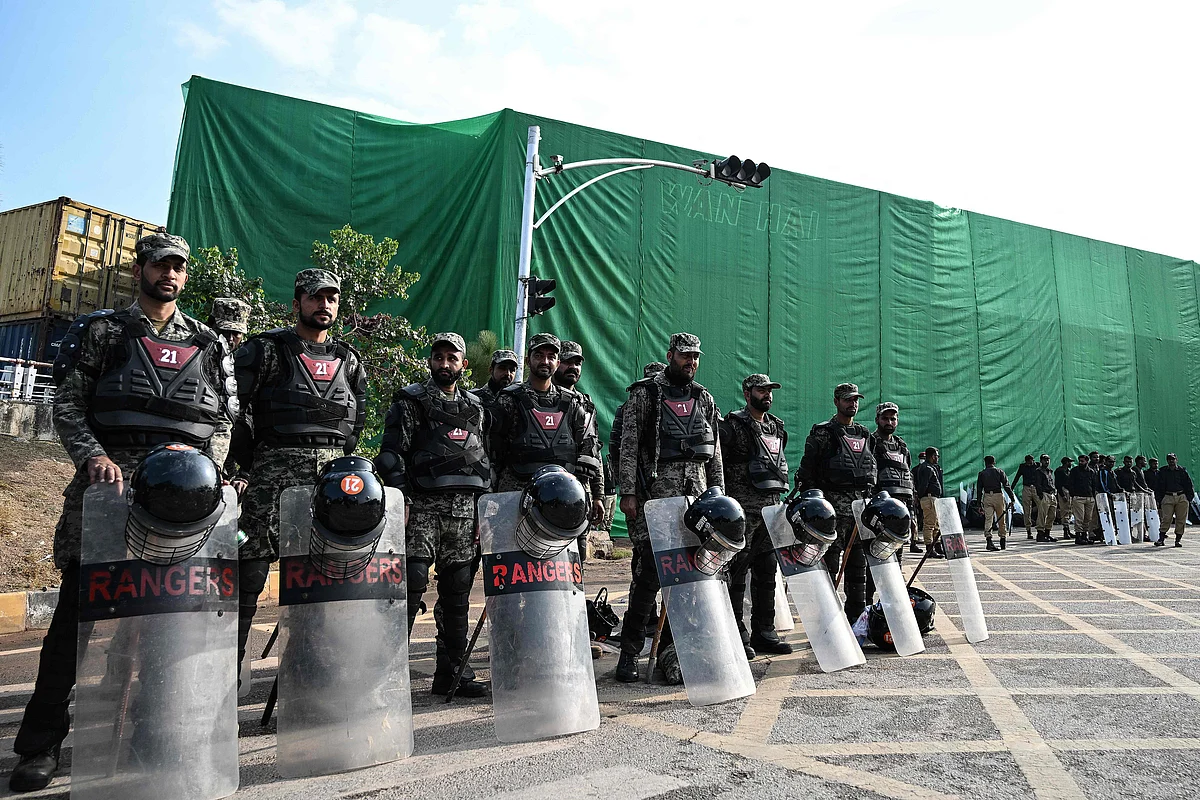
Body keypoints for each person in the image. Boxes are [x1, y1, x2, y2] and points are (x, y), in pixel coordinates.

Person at [8, 233, 236, 792]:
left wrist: (204, 466)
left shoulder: (207, 342)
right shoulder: (103, 330)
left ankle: (150, 732)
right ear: (141, 269)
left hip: (182, 506)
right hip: (110, 497)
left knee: (163, 628)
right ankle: (40, 746)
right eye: (161, 264)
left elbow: (225, 421)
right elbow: (67, 404)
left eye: (180, 266)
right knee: (74, 628)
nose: (171, 274)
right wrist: (95, 458)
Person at [228, 268, 367, 683]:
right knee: (250, 571)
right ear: (297, 303)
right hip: (271, 474)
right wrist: (252, 464)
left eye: (331, 298)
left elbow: (355, 419)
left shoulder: (349, 358)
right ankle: (226, 675)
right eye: (314, 297)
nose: (324, 305)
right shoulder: (265, 350)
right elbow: (233, 410)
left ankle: (312, 673)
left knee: (322, 576)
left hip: (328, 482)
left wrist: (340, 456)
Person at [375, 332, 491, 696]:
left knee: (457, 593)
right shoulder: (411, 401)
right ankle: (383, 674)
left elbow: (483, 461)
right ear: (430, 360)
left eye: (451, 358)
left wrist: (481, 510)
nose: (444, 363)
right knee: (409, 586)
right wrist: (403, 500)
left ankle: (453, 673)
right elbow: (392, 456)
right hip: (421, 509)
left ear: (463, 365)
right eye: (438, 357)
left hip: (463, 512)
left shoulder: (477, 408)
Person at [615, 333, 723, 684]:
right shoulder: (645, 394)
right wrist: (628, 493)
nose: (690, 362)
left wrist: (718, 494)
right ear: (670, 355)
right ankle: (629, 655)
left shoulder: (703, 397)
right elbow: (628, 447)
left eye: (695, 357)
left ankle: (674, 653)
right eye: (684, 356)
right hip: (655, 501)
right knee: (649, 578)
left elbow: (715, 454)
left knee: (689, 579)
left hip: (696, 500)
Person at [491, 334, 603, 547]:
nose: (545, 361)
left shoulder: (573, 403)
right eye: (539, 355)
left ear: (557, 362)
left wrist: (596, 495)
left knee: (566, 571)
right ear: (528, 359)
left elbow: (589, 451)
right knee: (515, 561)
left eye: (551, 356)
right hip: (517, 496)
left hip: (566, 501)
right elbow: (492, 452)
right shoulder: (509, 399)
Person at [721, 374, 792, 658]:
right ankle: (737, 632)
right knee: (737, 572)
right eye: (761, 390)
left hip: (771, 508)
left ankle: (765, 631)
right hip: (743, 509)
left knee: (767, 573)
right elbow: (721, 463)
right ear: (747, 393)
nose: (767, 395)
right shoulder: (733, 425)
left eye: (770, 390)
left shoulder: (777, 427)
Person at [795, 383, 876, 622]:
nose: (852, 404)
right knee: (829, 568)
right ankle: (826, 620)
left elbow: (871, 470)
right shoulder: (823, 432)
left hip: (858, 510)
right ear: (836, 401)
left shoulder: (864, 434)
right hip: (831, 512)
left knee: (857, 570)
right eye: (847, 400)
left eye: (855, 400)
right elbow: (807, 471)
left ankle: (855, 618)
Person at [551, 340, 606, 557]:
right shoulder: (541, 400)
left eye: (577, 363)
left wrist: (599, 495)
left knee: (576, 559)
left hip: (579, 496)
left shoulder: (586, 405)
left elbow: (593, 452)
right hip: (547, 496)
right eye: (566, 362)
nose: (573, 367)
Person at [871, 402, 927, 558]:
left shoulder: (901, 446)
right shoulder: (870, 443)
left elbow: (907, 477)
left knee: (898, 555)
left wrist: (912, 514)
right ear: (877, 419)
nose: (889, 422)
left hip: (901, 510)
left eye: (893, 419)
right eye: (885, 418)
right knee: (877, 557)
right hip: (880, 509)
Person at [975, 455, 1015, 551]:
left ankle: (989, 540)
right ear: (994, 462)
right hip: (998, 496)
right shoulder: (999, 472)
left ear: (985, 463)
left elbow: (979, 489)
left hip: (987, 496)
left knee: (988, 519)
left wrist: (978, 503)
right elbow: (1006, 486)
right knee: (1001, 519)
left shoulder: (982, 474)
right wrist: (1012, 498)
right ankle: (1002, 539)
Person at [1155, 452, 1194, 548]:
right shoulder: (1163, 471)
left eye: (1173, 459)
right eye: (1169, 459)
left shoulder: (1182, 471)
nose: (1171, 461)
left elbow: (1189, 484)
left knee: (1181, 519)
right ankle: (1161, 538)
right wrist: (1160, 499)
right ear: (1167, 461)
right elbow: (1158, 486)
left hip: (1181, 496)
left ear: (1176, 460)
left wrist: (1189, 498)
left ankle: (1178, 540)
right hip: (1168, 496)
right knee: (1166, 518)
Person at [913, 446, 943, 554]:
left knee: (936, 524)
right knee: (929, 524)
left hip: (932, 498)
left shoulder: (930, 467)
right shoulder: (926, 468)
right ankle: (930, 548)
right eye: (936, 456)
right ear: (932, 456)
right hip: (929, 498)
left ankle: (937, 546)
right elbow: (923, 485)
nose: (937, 458)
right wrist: (921, 496)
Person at [1066, 454, 1099, 545]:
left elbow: (1093, 485)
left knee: (1088, 518)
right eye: (1080, 461)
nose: (1081, 463)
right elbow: (1070, 484)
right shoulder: (1074, 471)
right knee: (1079, 518)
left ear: (1087, 461)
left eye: (1083, 461)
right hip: (1078, 497)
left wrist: (1092, 496)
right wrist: (1073, 494)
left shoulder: (1091, 472)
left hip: (1089, 498)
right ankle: (1078, 536)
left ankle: (1085, 536)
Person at [1012, 455, 1040, 539]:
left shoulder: (1037, 466)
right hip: (1026, 487)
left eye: (1030, 461)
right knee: (1026, 509)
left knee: (1042, 507)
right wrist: (1011, 488)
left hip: (1036, 487)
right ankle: (1028, 530)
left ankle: (1040, 528)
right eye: (1028, 462)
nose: (1029, 463)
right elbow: (1017, 477)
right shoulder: (1023, 467)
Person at [1032, 454, 1058, 542]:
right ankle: (1040, 534)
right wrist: (1040, 494)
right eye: (1044, 460)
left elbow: (1051, 482)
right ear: (1041, 461)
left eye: (1048, 460)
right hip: (1044, 493)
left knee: (1052, 515)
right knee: (1042, 515)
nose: (1046, 462)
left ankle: (1047, 533)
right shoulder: (1038, 471)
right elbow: (1037, 484)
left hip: (1052, 493)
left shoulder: (1050, 471)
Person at [1054, 456, 1074, 539]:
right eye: (1069, 462)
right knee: (1065, 511)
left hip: (1069, 491)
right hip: (1063, 490)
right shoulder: (1060, 471)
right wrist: (1062, 495)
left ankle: (1068, 529)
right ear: (1066, 462)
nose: (1070, 464)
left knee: (1069, 511)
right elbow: (1058, 484)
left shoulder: (1067, 471)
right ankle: (1065, 530)